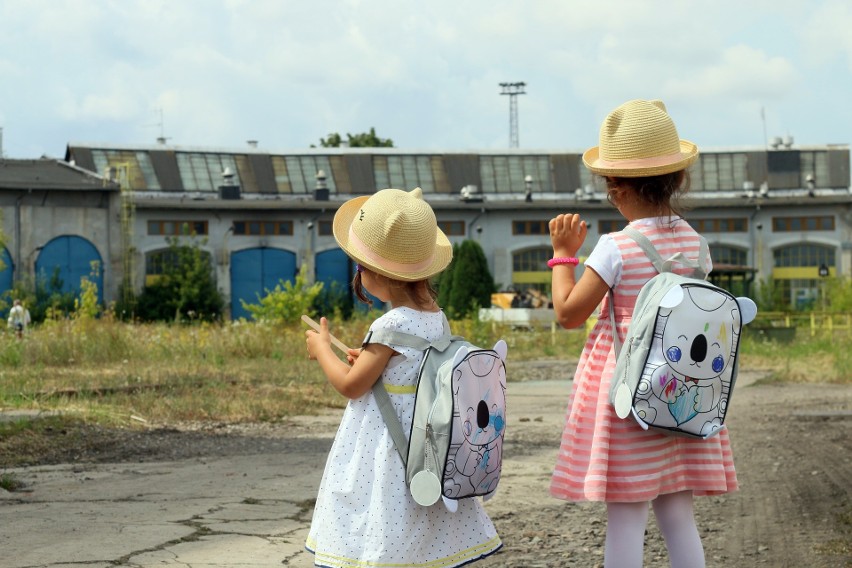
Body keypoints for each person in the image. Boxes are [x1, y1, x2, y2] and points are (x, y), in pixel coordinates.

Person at [548, 100, 737, 568]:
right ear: (675, 180)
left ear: (615, 188)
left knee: (627, 516)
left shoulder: (616, 247)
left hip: (629, 396)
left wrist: (562, 256)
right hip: (684, 392)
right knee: (677, 511)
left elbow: (570, 314)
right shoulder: (697, 244)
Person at [304, 187, 502, 567]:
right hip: (427, 445)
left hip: (388, 449)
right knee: (419, 532)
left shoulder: (390, 324)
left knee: (382, 518)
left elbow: (351, 385)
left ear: (378, 274)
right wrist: (371, 359)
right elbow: (411, 368)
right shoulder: (434, 316)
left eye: (359, 267)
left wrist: (322, 350)